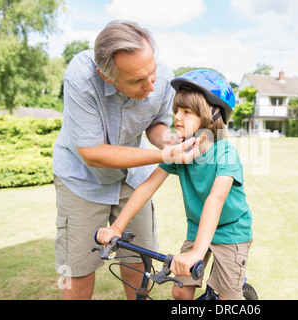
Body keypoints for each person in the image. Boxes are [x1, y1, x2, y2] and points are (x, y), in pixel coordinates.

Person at [53, 20, 199, 300]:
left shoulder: (163, 76)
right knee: (79, 266)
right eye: (135, 81)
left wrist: (168, 140)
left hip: (133, 177)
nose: (150, 86)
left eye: (152, 74)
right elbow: (93, 152)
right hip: (82, 180)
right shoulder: (81, 78)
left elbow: (157, 123)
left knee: (138, 259)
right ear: (106, 76)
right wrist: (164, 155)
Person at [97, 69, 253, 300]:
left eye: (187, 111)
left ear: (213, 114)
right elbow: (147, 187)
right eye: (176, 110)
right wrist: (117, 227)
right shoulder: (181, 151)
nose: (177, 117)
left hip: (231, 232)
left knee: (227, 298)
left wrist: (197, 253)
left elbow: (216, 199)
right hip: (198, 229)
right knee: (180, 291)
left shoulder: (225, 153)